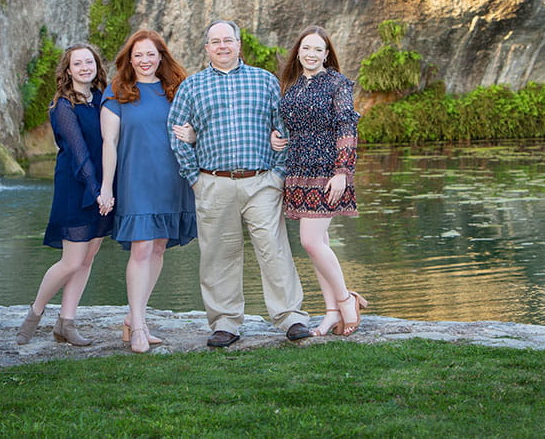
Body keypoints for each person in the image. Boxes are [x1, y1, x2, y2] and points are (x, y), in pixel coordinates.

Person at [167, 19, 310, 347]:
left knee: (273, 249)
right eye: (214, 42)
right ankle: (226, 322)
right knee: (219, 254)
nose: (222, 46)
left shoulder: (265, 81)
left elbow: (284, 128)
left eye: (227, 40)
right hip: (213, 183)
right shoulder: (192, 86)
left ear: (238, 44)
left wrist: (278, 174)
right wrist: (194, 179)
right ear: (206, 48)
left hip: (261, 182)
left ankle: (290, 316)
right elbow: (176, 133)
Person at [99, 30, 197, 353]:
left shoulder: (176, 90)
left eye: (151, 54)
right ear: (129, 58)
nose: (144, 61)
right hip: (135, 180)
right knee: (141, 249)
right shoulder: (117, 93)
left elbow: (193, 131)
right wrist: (106, 187)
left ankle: (134, 316)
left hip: (172, 179)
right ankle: (139, 326)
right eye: (138, 55)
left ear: (161, 57)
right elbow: (109, 143)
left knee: (158, 247)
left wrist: (193, 136)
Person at [271, 25, 367, 337]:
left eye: (317, 50)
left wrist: (342, 172)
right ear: (298, 52)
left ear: (327, 55)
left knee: (310, 241)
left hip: (327, 171)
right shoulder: (292, 85)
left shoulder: (337, 83)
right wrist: (278, 138)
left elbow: (347, 128)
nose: (311, 54)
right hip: (298, 170)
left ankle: (346, 299)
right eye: (306, 48)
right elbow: (289, 125)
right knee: (318, 245)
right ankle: (330, 313)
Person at [16, 43, 114, 346]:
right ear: (68, 70)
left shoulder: (102, 98)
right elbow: (78, 152)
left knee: (88, 258)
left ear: (97, 65)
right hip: (77, 187)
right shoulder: (63, 106)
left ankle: (66, 324)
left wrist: (108, 188)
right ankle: (34, 313)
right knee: (71, 261)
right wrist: (96, 191)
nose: (85, 68)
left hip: (104, 187)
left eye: (89, 62)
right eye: (78, 64)